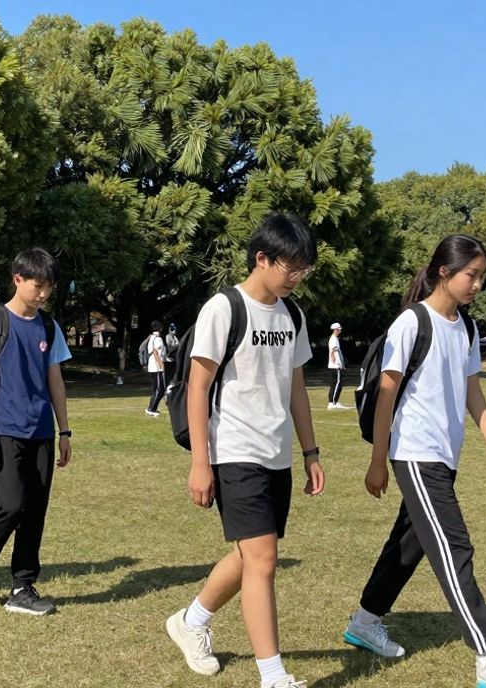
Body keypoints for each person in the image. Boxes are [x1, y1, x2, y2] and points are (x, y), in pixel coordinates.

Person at [343, 234, 486, 688]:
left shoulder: (466, 328)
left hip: (444, 455)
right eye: (472, 275)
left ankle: (365, 622)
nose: (478, 285)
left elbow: (472, 391)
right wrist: (377, 460)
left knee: (408, 545)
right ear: (444, 272)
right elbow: (387, 393)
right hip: (414, 452)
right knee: (454, 547)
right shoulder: (412, 322)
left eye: (482, 276)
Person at [164, 212, 324, 688]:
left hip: (277, 452)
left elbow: (296, 388)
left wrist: (311, 451)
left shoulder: (292, 315)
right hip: (233, 449)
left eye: (304, 269)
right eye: (291, 268)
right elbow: (198, 388)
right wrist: (200, 460)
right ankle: (272, 676)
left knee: (249, 555)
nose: (297, 278)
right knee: (263, 560)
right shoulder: (224, 308)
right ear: (262, 259)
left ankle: (190, 621)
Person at [0, 248, 73, 615]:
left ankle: (23, 587)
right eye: (37, 285)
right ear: (18, 280)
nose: (43, 294)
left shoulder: (49, 326)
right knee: (10, 505)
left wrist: (64, 431)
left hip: (40, 430)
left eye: (49, 288)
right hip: (3, 429)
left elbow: (55, 379)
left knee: (35, 511)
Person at [144, 320, 168, 417]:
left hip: (153, 366)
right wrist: (161, 364)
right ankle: (151, 409)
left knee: (156, 389)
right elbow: (155, 352)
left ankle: (152, 408)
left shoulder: (152, 338)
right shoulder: (157, 339)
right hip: (156, 367)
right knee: (160, 389)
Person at [326, 322, 347, 410]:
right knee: (337, 384)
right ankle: (332, 402)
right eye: (339, 329)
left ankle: (335, 401)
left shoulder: (334, 339)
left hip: (335, 365)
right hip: (335, 366)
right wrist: (338, 363)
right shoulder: (333, 339)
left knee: (336, 384)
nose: (340, 331)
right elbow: (334, 351)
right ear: (335, 330)